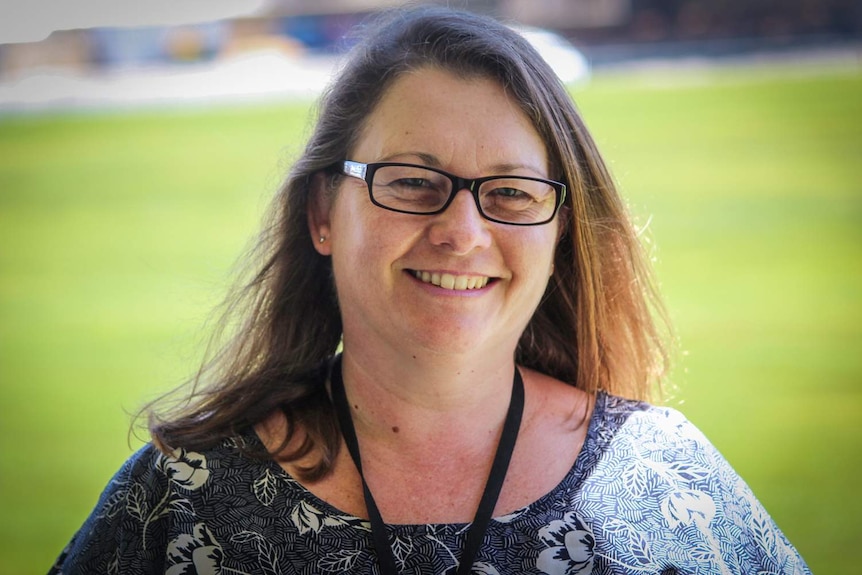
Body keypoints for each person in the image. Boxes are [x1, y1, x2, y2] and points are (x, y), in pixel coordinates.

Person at [50, 6, 810, 575]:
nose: (462, 231)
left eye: (510, 193)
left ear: (560, 232)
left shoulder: (666, 483)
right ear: (323, 213)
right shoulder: (183, 500)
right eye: (413, 182)